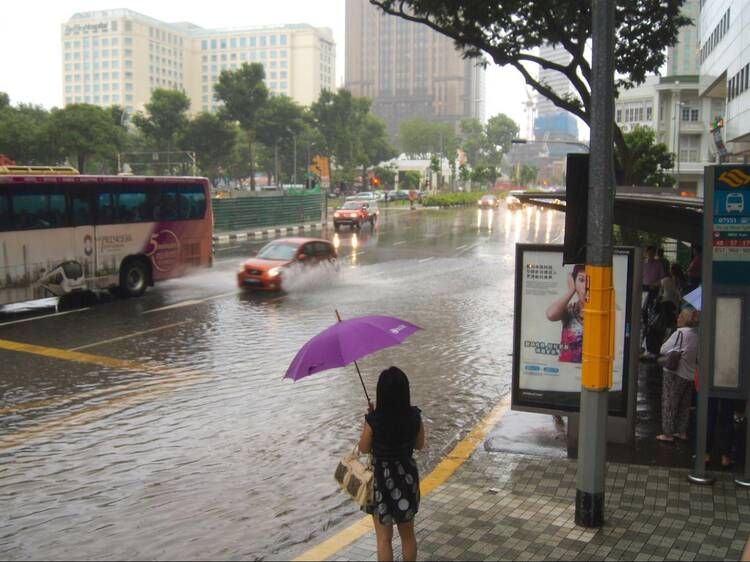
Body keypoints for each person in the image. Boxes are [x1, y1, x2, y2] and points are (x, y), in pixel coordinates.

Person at [359, 367, 425, 562]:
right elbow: (420, 445)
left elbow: (363, 448)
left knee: (384, 539)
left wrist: (372, 418)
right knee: (408, 536)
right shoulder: (414, 416)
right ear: (406, 391)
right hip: (407, 480)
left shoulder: (374, 420)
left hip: (382, 482)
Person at [657, 308, 699, 442]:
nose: (677, 319)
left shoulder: (679, 333)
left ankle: (668, 433)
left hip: (675, 373)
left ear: (685, 319)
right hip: (689, 374)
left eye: (680, 316)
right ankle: (682, 431)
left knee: (669, 402)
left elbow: (663, 350)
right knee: (684, 404)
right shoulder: (696, 335)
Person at [546, 264, 585, 363]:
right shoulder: (570, 310)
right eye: (581, 280)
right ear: (574, 282)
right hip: (566, 371)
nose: (586, 287)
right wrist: (571, 290)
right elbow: (551, 314)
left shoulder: (606, 312)